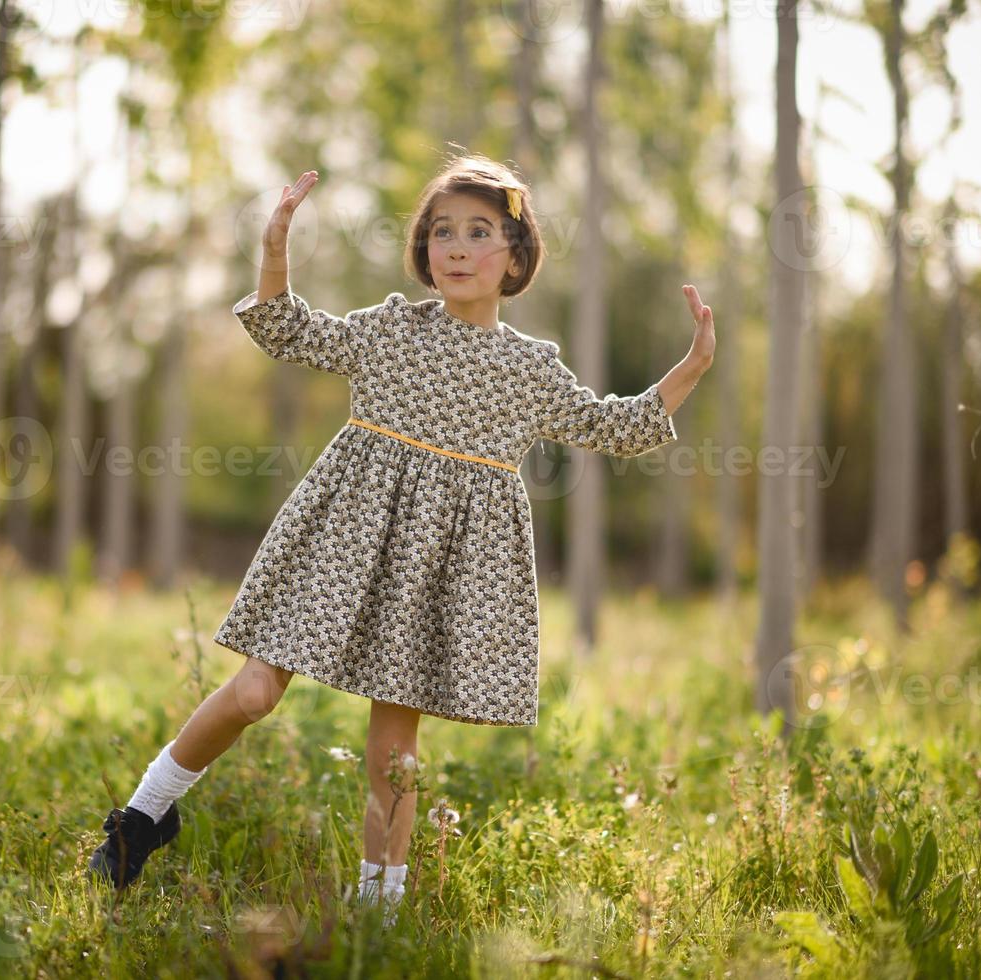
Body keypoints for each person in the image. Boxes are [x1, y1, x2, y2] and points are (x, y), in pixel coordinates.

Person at [89, 153, 717, 925]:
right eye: (440, 231)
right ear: (422, 251)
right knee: (255, 691)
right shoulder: (389, 329)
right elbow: (287, 330)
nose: (454, 246)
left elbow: (613, 426)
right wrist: (276, 246)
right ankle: (144, 817)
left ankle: (377, 914)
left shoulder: (528, 369)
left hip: (442, 568)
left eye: (478, 232)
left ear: (515, 256)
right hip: (344, 539)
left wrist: (691, 366)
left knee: (393, 749)